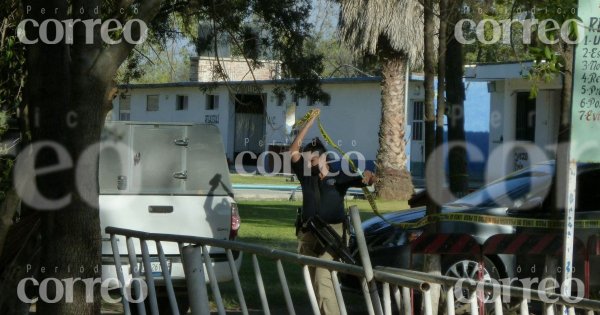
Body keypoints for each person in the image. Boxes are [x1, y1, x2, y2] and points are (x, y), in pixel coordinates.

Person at [289, 109, 376, 315]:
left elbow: (366, 180)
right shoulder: (306, 175)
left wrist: (370, 177)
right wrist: (308, 124)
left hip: (332, 235)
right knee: (316, 282)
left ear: (324, 158)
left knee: (322, 275)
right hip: (309, 234)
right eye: (308, 159)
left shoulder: (339, 176)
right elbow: (293, 151)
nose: (309, 163)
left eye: (313, 159)